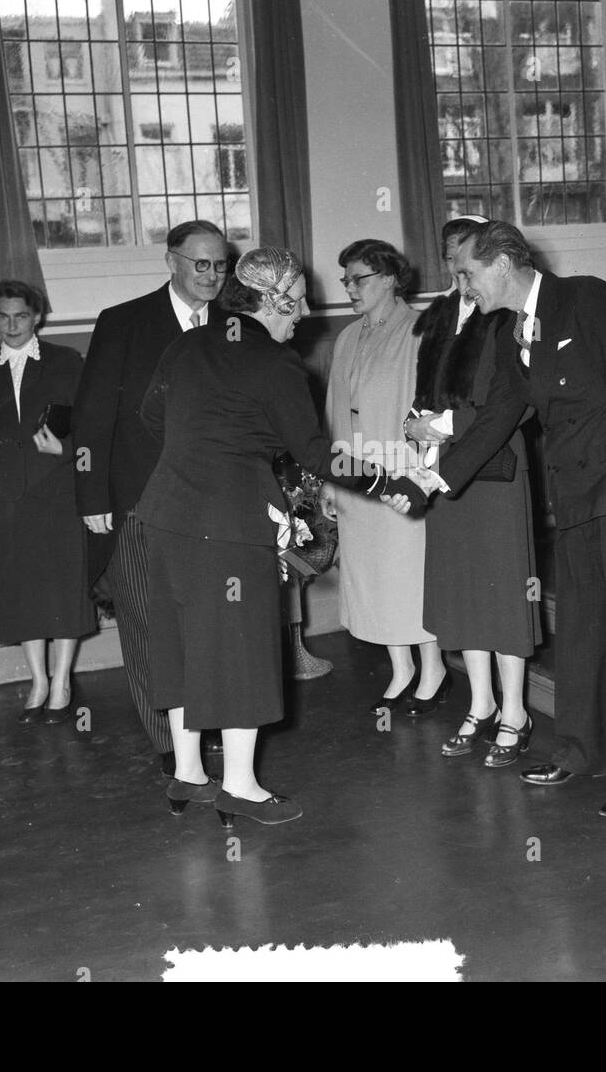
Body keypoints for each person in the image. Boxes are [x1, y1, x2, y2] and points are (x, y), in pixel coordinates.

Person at [137, 248, 425, 826]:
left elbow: (151, 418)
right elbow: (316, 455)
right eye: (298, 304)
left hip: (164, 517)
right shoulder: (275, 362)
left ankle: (188, 775)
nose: (305, 316)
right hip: (232, 526)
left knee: (182, 645)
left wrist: (210, 445)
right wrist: (389, 479)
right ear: (276, 300)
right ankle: (239, 787)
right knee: (241, 651)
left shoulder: (187, 343)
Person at [414, 221, 606, 818]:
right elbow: (501, 414)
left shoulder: (587, 299)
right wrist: (436, 478)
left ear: (503, 263)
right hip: (576, 497)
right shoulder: (510, 329)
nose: (463, 285)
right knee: (583, 630)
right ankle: (582, 749)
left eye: (468, 273)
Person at [72, 220, 228, 771]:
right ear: (172, 261)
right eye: (200, 264)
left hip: (212, 505)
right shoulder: (123, 324)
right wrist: (93, 500)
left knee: (206, 621)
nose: (212, 275)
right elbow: (91, 421)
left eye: (220, 265)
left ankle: (205, 723)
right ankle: (168, 741)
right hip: (136, 502)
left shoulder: (234, 325)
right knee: (147, 621)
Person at [405, 216, 541, 765]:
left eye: (466, 260)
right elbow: (426, 388)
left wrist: (442, 427)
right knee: (464, 595)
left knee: (503, 596)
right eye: (451, 260)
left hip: (495, 472)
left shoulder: (510, 314)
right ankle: (480, 703)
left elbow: (517, 403)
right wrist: (417, 425)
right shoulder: (442, 315)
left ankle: (516, 711)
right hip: (445, 471)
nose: (459, 272)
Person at [0, 280, 94, 724]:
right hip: (6, 498)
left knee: (61, 585)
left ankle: (62, 681)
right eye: (2, 316)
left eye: (20, 316)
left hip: (57, 491)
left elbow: (89, 426)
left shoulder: (65, 361)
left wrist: (68, 449)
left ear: (37, 316)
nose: (11, 325)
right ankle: (38, 679)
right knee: (21, 590)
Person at [324, 239, 445, 716]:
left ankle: (432, 669)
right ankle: (402, 670)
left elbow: (431, 410)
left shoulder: (420, 330)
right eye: (346, 280)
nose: (351, 288)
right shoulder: (348, 337)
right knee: (372, 580)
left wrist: (418, 477)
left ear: (392, 278)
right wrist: (332, 481)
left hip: (400, 475)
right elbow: (335, 412)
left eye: (360, 279)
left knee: (408, 578)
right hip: (356, 475)